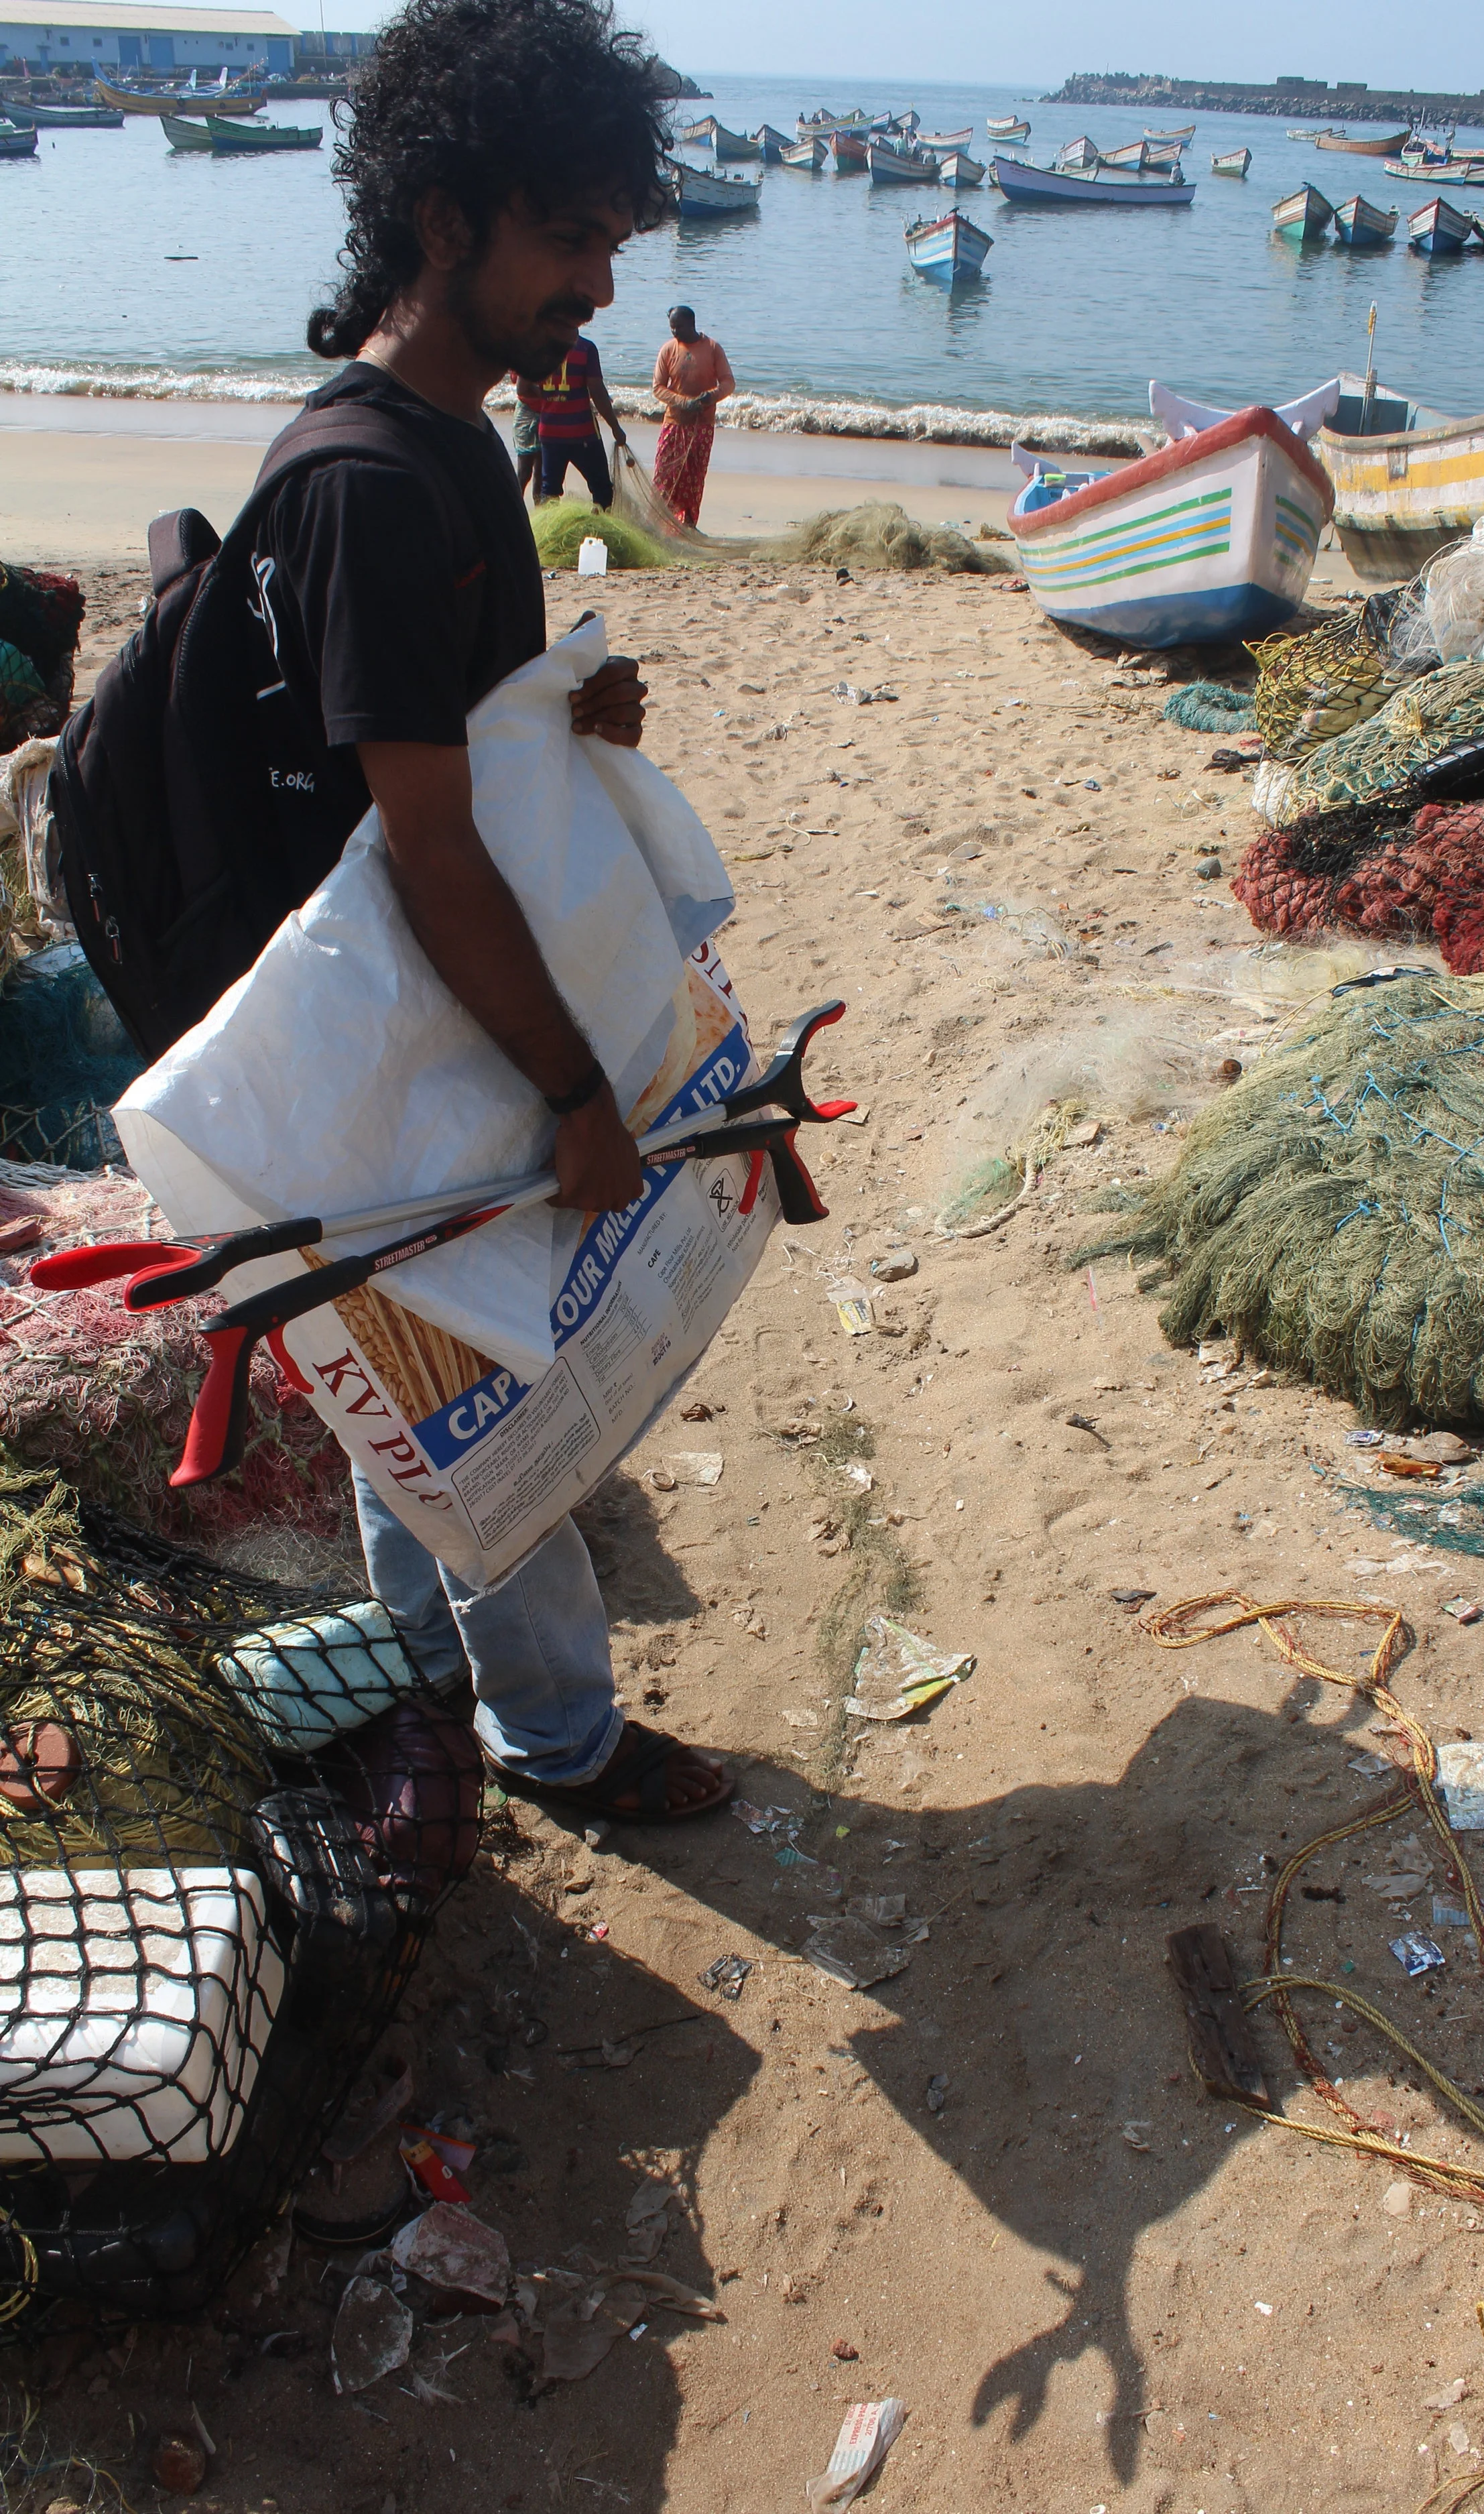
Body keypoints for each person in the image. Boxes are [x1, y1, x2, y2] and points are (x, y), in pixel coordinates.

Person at [250, 0, 733, 1823]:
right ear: (443, 219)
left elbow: (450, 749)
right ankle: (565, 1746)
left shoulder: (455, 439)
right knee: (487, 1400)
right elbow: (426, 842)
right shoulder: (376, 478)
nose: (597, 286)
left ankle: (440, 1690)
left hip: (423, 998)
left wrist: (561, 715)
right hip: (393, 1021)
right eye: (566, 235)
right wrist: (571, 1091)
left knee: (421, 1385)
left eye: (614, 241)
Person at [517, 334, 629, 505]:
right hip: (582, 433)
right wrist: (615, 427)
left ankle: (550, 530)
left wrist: (550, 397)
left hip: (550, 432)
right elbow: (597, 392)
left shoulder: (537, 347)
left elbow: (523, 389)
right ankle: (599, 529)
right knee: (602, 489)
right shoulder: (585, 348)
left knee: (550, 490)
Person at [651, 304, 733, 526]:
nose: (674, 332)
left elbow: (728, 382)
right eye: (672, 328)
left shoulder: (713, 348)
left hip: (702, 425)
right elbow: (658, 387)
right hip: (674, 423)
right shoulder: (668, 350)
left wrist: (710, 397)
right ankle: (660, 522)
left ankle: (687, 525)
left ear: (691, 324)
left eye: (678, 327)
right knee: (664, 475)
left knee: (694, 478)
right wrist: (685, 402)